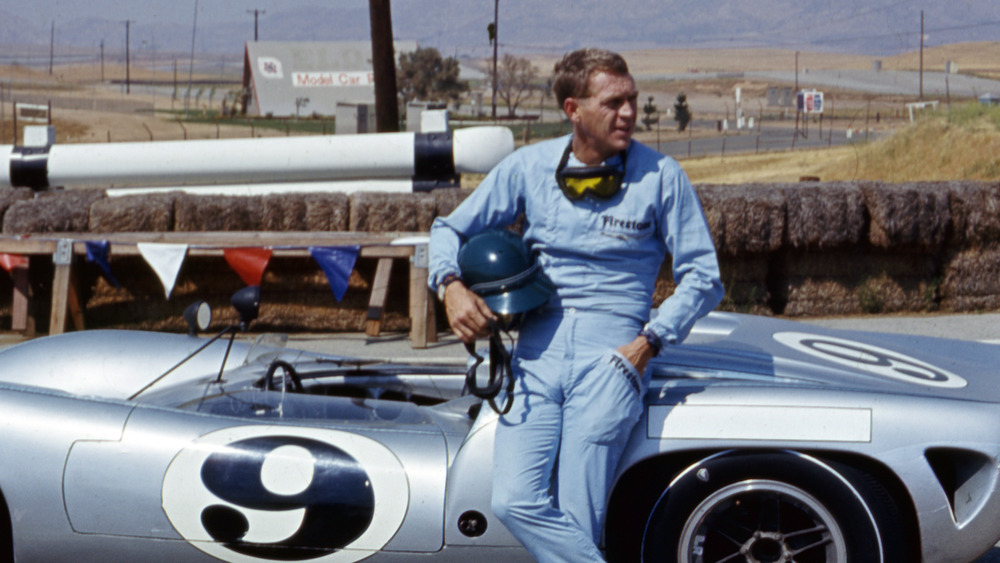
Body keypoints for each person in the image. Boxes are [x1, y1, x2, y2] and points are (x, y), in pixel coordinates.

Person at [428, 48, 723, 562]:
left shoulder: (661, 176)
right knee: (514, 498)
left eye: (632, 99)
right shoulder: (528, 167)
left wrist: (647, 343)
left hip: (614, 356)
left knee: (578, 511)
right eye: (613, 102)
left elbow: (704, 276)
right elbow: (447, 227)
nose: (628, 112)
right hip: (536, 355)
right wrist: (451, 285)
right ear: (573, 109)